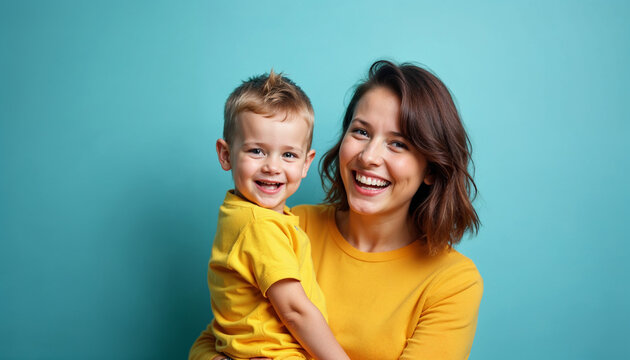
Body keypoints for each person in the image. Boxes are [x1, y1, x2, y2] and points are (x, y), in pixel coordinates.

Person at [190, 60, 483, 359]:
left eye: (398, 144)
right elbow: (215, 340)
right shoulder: (289, 225)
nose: (369, 156)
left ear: (431, 169)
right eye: (361, 132)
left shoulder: (453, 282)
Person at [202, 71, 350, 360]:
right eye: (257, 151)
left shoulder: (240, 214)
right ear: (225, 154)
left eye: (289, 155)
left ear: (307, 163)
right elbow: (294, 311)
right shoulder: (259, 225)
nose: (272, 166)